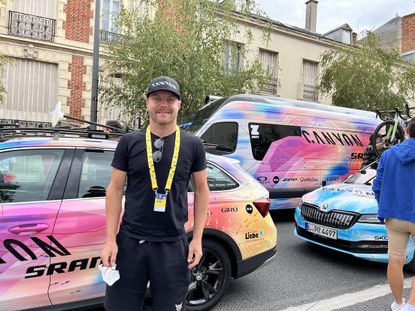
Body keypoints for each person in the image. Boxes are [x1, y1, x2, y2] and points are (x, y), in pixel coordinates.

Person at [101, 76, 209, 311]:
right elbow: (115, 189)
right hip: (130, 242)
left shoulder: (193, 144)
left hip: (172, 243)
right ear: (147, 103)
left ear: (178, 105)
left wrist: (198, 239)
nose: (163, 104)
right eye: (157, 98)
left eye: (170, 99)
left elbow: (201, 190)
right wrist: (110, 239)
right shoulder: (129, 142)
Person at [372, 117, 415, 311]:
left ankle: (398, 305)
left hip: (394, 216)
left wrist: (385, 206)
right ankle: (411, 306)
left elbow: (377, 186)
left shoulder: (388, 155)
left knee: (395, 262)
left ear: (406, 131)